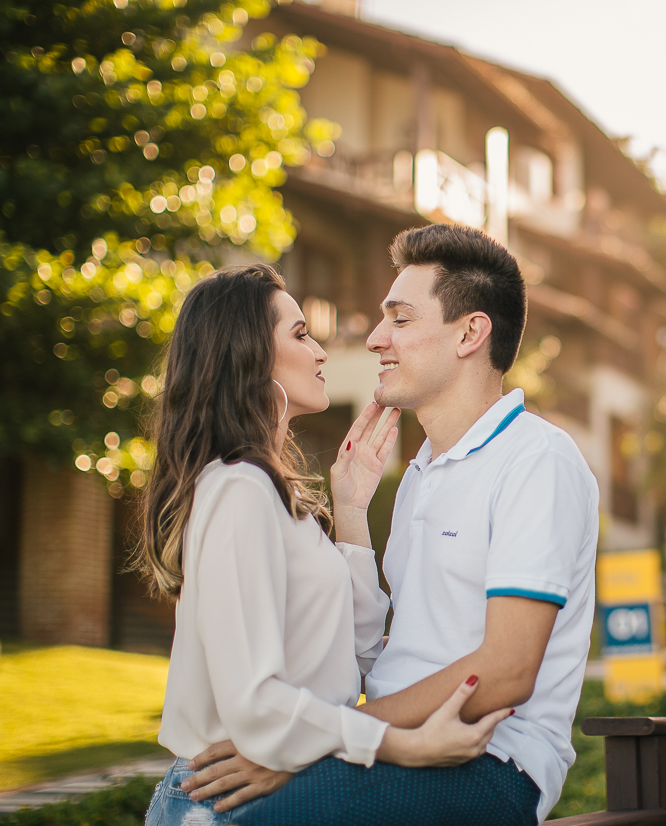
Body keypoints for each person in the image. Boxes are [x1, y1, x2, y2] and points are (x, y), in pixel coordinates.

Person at [184, 224, 600, 825]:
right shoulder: (419, 475)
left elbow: (507, 671)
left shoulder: (537, 460)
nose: (376, 338)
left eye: (400, 319)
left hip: (489, 763)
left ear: (470, 333)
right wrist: (351, 513)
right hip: (390, 751)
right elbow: (383, 657)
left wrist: (319, 742)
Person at [137, 263, 511, 826]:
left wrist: (352, 510)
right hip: (222, 801)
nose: (319, 352)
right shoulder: (238, 489)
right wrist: (401, 744)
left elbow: (354, 654)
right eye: (300, 334)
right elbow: (253, 703)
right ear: (248, 355)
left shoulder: (272, 494)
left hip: (276, 796)